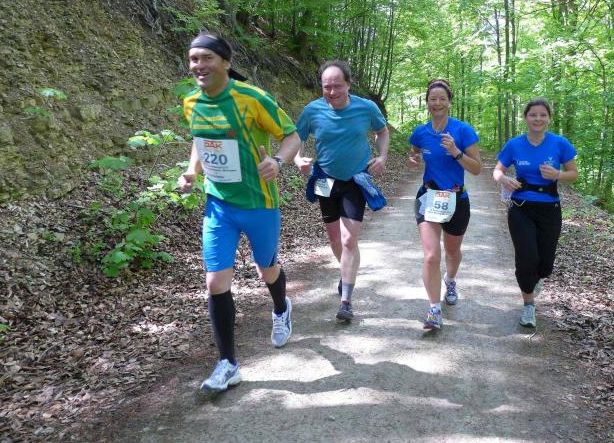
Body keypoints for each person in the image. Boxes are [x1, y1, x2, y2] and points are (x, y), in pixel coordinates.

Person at [177, 32, 301, 392]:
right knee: (215, 282)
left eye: (207, 58)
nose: (199, 65)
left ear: (226, 63)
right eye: (194, 59)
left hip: (259, 202)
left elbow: (292, 135)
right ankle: (228, 364)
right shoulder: (191, 102)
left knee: (267, 269)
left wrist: (278, 161)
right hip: (219, 205)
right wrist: (192, 170)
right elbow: (200, 140)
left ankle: (281, 308)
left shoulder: (252, 98)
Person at [294, 60, 389, 323]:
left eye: (337, 86)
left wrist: (382, 156)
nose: (332, 92)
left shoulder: (366, 108)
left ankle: (346, 300)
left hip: (355, 180)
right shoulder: (312, 111)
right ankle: (345, 271)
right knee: (335, 240)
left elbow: (382, 132)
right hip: (324, 179)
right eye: (327, 87)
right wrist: (298, 159)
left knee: (348, 240)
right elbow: (296, 138)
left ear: (348, 84)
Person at [492, 97, 578, 328]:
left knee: (545, 263)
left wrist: (557, 175)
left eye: (542, 115)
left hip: (550, 207)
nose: (538, 119)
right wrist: (504, 179)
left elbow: (573, 174)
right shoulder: (515, 144)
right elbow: (497, 171)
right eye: (533, 115)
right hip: (521, 206)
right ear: (525, 118)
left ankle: (536, 279)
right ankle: (528, 305)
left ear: (549, 118)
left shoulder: (560, 143)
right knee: (526, 257)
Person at [407, 79, 481, 330]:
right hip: (429, 197)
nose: (437, 103)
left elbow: (477, 168)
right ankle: (434, 310)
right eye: (432, 99)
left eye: (442, 99)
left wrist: (456, 152)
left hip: (456, 199)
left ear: (449, 102)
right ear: (427, 103)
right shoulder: (421, 132)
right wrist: (414, 159)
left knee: (452, 251)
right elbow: (415, 151)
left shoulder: (463, 130)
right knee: (431, 255)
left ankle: (450, 280)